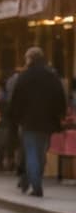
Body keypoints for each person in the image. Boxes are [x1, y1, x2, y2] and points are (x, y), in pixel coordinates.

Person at [9, 47, 68, 198]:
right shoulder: (52, 76)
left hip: (28, 121)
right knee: (41, 153)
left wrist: (15, 118)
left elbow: (15, 100)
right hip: (47, 122)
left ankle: (36, 186)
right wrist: (60, 114)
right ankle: (35, 180)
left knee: (31, 153)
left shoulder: (24, 76)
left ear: (29, 59)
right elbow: (60, 97)